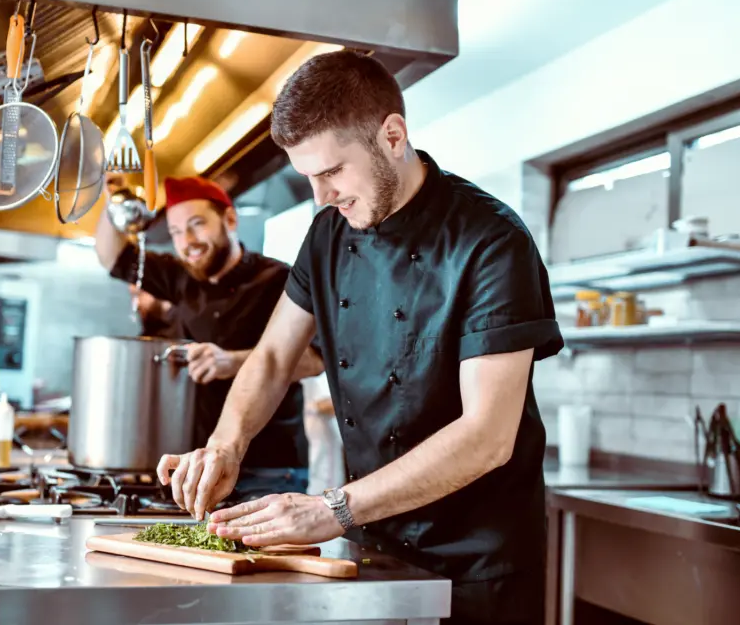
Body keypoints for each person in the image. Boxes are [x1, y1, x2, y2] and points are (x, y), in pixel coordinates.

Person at [156, 50, 563, 625]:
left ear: (392, 135)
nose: (321, 196)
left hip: (479, 561)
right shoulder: (327, 233)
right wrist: (227, 445)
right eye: (308, 179)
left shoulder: (491, 242)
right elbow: (273, 357)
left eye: (331, 173)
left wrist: (333, 509)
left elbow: (487, 435)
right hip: (375, 542)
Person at [95, 175, 325, 498]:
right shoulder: (179, 278)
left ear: (229, 219)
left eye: (196, 224)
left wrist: (231, 362)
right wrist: (115, 200)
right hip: (196, 464)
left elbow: (315, 360)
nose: (186, 240)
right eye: (176, 232)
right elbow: (111, 257)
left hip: (270, 468)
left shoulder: (279, 279)